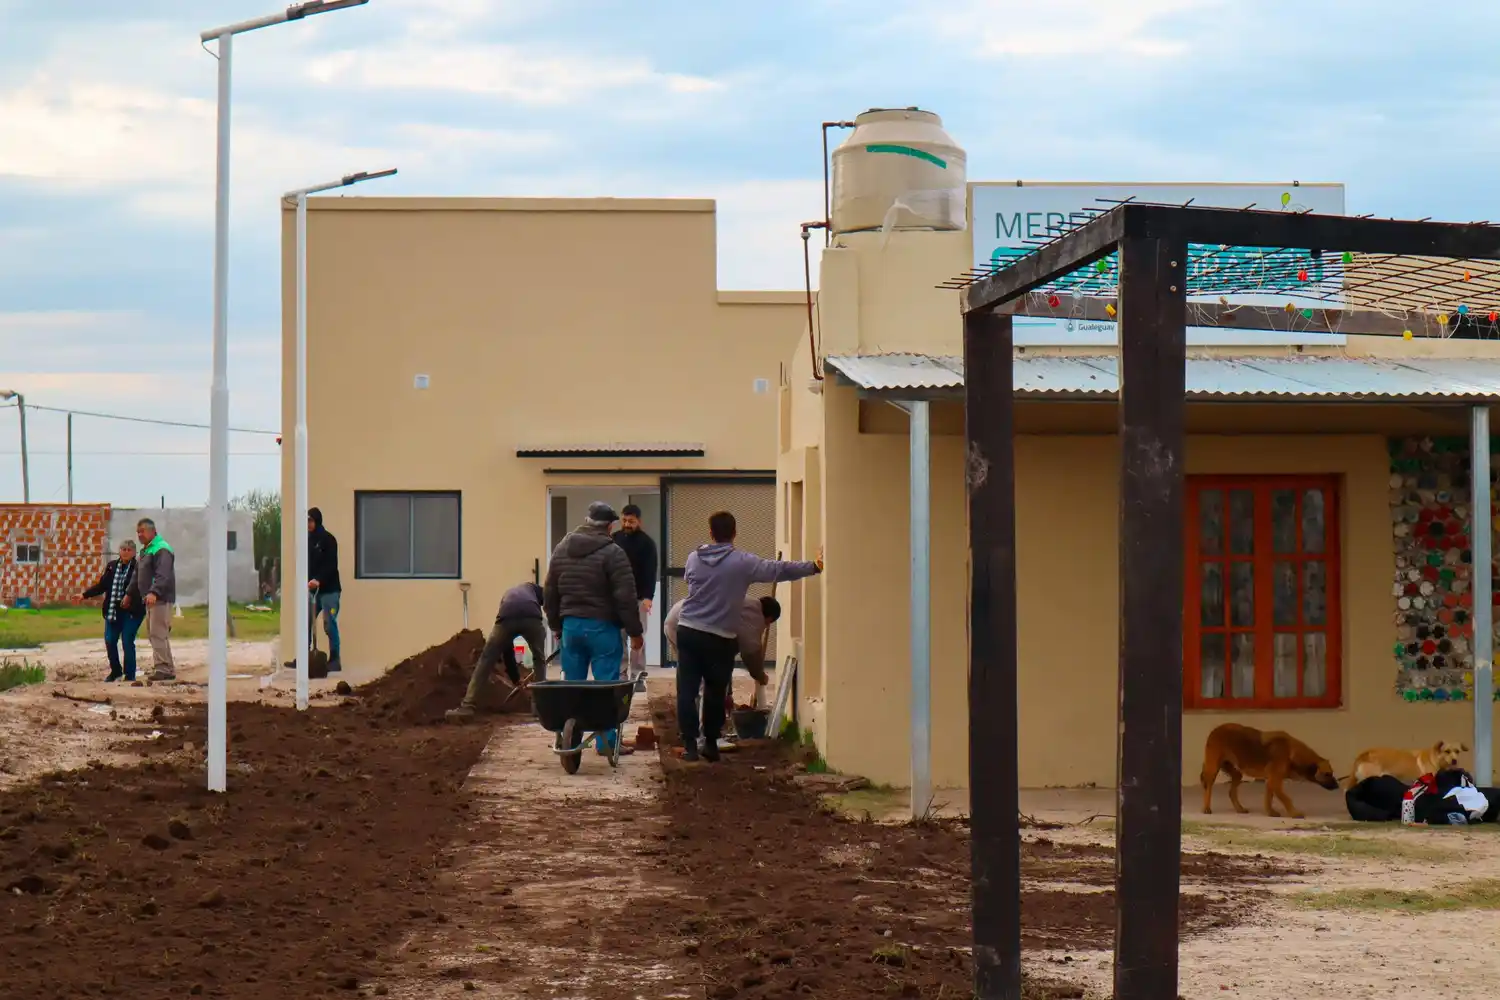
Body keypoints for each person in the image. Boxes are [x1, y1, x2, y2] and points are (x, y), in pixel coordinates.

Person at [674, 511, 820, 762]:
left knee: (686, 691)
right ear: (734, 534)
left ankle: (689, 746)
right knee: (715, 692)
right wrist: (814, 567)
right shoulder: (742, 562)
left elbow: (691, 580)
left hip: (687, 629)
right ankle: (710, 743)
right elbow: (778, 570)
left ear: (710, 532)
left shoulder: (693, 558)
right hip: (719, 637)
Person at [543, 501, 643, 755]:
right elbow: (625, 597)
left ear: (587, 522)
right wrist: (635, 632)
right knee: (605, 688)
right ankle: (606, 743)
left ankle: (569, 737)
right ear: (610, 527)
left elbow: (550, 592)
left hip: (571, 628)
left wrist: (556, 626)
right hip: (602, 628)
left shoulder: (561, 549)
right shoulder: (614, 553)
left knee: (572, 687)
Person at [666, 594, 781, 722]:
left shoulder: (745, 603)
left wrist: (728, 693)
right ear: (769, 618)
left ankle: (694, 727)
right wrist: (759, 675)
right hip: (689, 625)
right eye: (768, 623)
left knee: (693, 674)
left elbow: (725, 659)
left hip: (677, 619)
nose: (765, 627)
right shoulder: (755, 617)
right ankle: (702, 729)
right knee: (703, 681)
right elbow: (751, 654)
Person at [446, 582, 548, 723]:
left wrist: (515, 678)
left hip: (506, 615)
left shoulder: (510, 594)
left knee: (486, 659)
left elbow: (507, 650)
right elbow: (550, 601)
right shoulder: (537, 591)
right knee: (539, 660)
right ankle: (540, 708)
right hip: (532, 616)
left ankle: (467, 706)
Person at [81, 540, 146, 683]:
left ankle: (130, 676)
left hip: (132, 612)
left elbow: (142, 587)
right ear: (119, 551)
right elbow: (102, 586)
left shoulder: (139, 567)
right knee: (110, 640)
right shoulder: (111, 567)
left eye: (129, 549)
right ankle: (116, 671)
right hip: (113, 610)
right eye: (123, 549)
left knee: (127, 641)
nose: (126, 552)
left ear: (134, 552)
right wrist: (83, 595)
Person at [612, 503, 658, 679]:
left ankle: (638, 673)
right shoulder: (613, 539)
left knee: (638, 636)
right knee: (619, 635)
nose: (626, 524)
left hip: (639, 598)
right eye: (624, 520)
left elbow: (650, 571)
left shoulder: (647, 544)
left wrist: (648, 597)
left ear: (639, 521)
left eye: (631, 521)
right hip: (616, 597)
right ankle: (622, 671)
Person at [135, 518, 177, 682]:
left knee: (157, 633)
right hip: (150, 599)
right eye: (138, 532)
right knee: (156, 634)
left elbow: (163, 574)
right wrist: (130, 594)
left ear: (153, 531)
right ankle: (166, 667)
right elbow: (138, 575)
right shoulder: (146, 550)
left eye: (142, 531)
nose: (140, 534)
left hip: (160, 598)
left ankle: (163, 668)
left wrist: (154, 592)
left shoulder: (162, 549)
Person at [307, 507, 342, 673]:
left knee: (329, 623)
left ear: (317, 521)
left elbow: (331, 565)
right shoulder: (308, 541)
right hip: (314, 591)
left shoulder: (329, 540)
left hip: (330, 591)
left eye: (310, 520)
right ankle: (304, 655)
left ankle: (335, 659)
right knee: (305, 620)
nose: (308, 524)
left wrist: (319, 579)